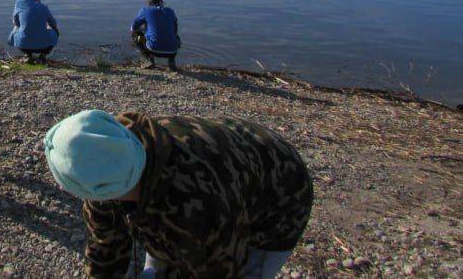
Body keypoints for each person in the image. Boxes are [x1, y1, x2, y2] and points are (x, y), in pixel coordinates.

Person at [44, 109, 313, 278]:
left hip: (279, 193)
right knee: (164, 258)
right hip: (228, 157)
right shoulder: (108, 159)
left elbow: (221, 268)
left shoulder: (199, 206)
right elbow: (106, 249)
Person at [8, 0, 59, 64]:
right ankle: (43, 56)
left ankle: (28, 55)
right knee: (55, 31)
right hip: (43, 47)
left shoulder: (18, 4)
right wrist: (48, 27)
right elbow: (53, 23)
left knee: (16, 28)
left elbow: (16, 23)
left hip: (23, 44)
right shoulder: (44, 7)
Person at [130, 0, 180, 70]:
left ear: (149, 3)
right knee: (175, 36)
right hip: (172, 51)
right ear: (162, 2)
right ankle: (171, 62)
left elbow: (133, 27)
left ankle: (148, 60)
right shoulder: (170, 11)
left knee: (135, 34)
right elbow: (175, 29)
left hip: (153, 49)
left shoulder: (145, 10)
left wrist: (143, 29)